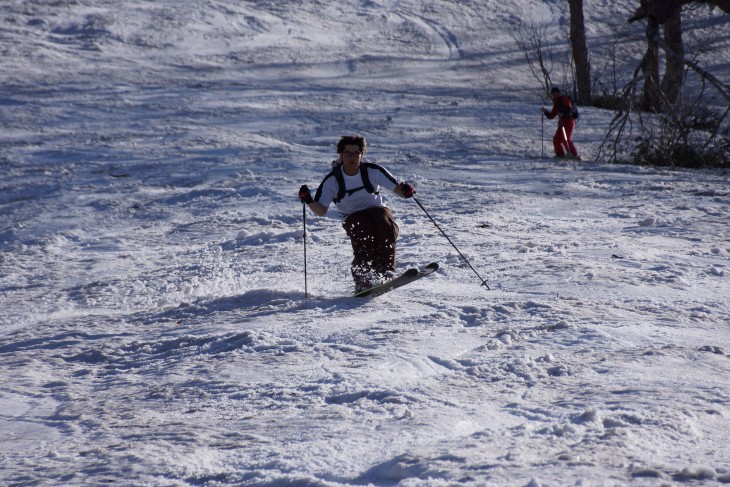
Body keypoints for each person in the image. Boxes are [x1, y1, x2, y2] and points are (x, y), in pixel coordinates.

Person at [299, 135, 415, 292]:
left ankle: (386, 272)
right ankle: (363, 278)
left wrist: (407, 191)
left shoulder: (373, 171)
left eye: (356, 153)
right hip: (351, 216)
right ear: (341, 155)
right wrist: (308, 200)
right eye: (347, 153)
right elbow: (321, 210)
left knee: (384, 222)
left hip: (377, 210)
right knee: (363, 227)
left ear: (362, 154)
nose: (351, 157)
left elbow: (398, 189)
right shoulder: (332, 180)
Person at [542, 87, 580, 160]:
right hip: (562, 123)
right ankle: (560, 155)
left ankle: (573, 155)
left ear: (558, 93)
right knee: (556, 139)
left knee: (565, 138)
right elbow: (551, 115)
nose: (553, 95)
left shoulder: (564, 99)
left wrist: (563, 113)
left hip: (569, 121)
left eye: (555, 93)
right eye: (552, 93)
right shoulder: (556, 103)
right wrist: (545, 112)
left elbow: (570, 109)